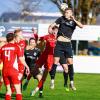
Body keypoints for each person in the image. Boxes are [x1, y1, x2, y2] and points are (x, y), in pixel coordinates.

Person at [49, 8, 83, 91]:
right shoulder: (61, 18)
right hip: (59, 44)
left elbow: (81, 26)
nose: (66, 14)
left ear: (71, 13)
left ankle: (71, 83)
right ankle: (52, 81)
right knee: (55, 62)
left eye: (67, 12)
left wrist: (74, 19)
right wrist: (50, 28)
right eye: (65, 12)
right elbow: (52, 25)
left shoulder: (74, 22)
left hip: (68, 44)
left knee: (70, 63)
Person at [30, 26, 59, 96]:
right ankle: (27, 81)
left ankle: (36, 90)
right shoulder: (48, 36)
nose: (55, 32)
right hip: (44, 56)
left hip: (51, 58)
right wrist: (35, 34)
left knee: (44, 77)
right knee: (34, 69)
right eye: (54, 30)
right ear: (52, 30)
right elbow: (39, 39)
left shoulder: (59, 38)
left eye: (56, 30)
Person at [0, 33, 29, 100]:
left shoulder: (2, 48)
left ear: (7, 39)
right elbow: (21, 59)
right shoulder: (16, 47)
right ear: (13, 38)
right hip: (13, 70)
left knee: (8, 91)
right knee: (18, 91)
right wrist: (27, 66)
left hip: (4, 71)